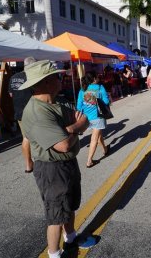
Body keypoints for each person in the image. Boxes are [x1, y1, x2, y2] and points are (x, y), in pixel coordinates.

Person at [19, 60, 96, 257]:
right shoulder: (37, 111)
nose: (60, 78)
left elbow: (83, 119)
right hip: (52, 169)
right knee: (55, 215)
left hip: (66, 165)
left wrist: (71, 128)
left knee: (69, 205)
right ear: (44, 82)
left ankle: (70, 239)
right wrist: (75, 127)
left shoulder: (55, 103)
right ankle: (54, 253)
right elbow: (63, 145)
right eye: (56, 76)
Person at [8, 56, 36, 173]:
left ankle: (29, 164)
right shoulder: (31, 76)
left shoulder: (13, 77)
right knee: (33, 137)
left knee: (25, 137)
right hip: (32, 111)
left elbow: (10, 94)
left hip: (19, 111)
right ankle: (35, 163)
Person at [77, 71, 110, 168]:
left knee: (99, 135)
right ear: (94, 79)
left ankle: (105, 149)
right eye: (97, 77)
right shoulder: (100, 88)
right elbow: (106, 101)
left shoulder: (82, 90)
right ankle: (89, 161)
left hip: (86, 118)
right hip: (97, 117)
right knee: (94, 139)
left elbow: (79, 106)